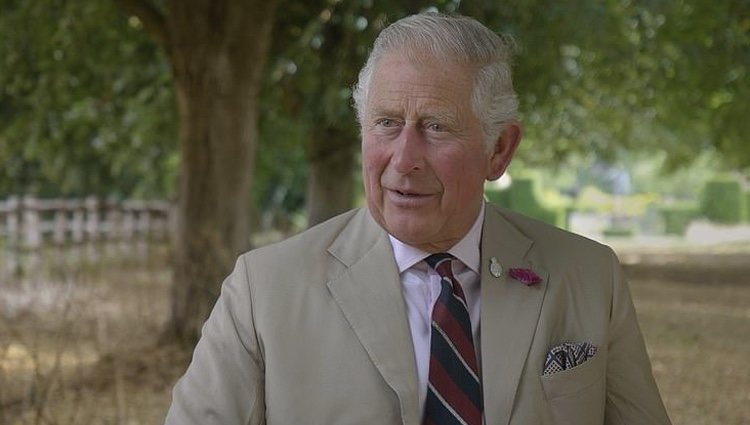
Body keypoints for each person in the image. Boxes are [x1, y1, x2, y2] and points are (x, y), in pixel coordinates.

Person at [165, 12, 671, 425]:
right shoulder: (263, 290)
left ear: (499, 149)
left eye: (436, 126)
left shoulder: (588, 277)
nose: (404, 158)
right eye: (386, 124)